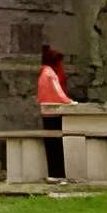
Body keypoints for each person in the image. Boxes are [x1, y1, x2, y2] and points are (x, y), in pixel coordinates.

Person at [35, 43, 74, 180]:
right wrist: (69, 102)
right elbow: (58, 92)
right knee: (56, 145)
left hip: (47, 109)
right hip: (54, 111)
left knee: (53, 144)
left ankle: (55, 174)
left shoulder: (43, 72)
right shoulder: (50, 73)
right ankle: (58, 174)